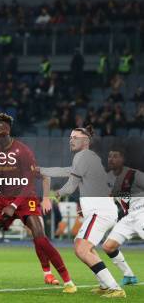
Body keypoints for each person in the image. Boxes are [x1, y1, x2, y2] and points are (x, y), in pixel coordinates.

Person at [0, 113, 75, 293]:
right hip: (3, 200)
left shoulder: (23, 151)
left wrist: (15, 205)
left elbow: (29, 183)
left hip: (26, 200)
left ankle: (67, 280)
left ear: (7, 130)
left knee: (40, 239)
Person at [39, 126, 125, 298]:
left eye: (76, 137)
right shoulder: (86, 158)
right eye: (70, 137)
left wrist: (51, 195)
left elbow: (71, 186)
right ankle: (105, 284)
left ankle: (115, 288)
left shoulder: (84, 156)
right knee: (84, 247)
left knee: (82, 248)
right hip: (99, 210)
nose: (71, 140)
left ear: (86, 141)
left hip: (100, 212)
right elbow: (71, 175)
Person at [101, 146, 144, 287]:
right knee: (108, 247)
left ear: (123, 159)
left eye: (115, 156)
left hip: (142, 212)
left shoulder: (134, 174)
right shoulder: (108, 178)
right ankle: (129, 275)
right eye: (109, 156)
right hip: (129, 217)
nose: (111, 159)